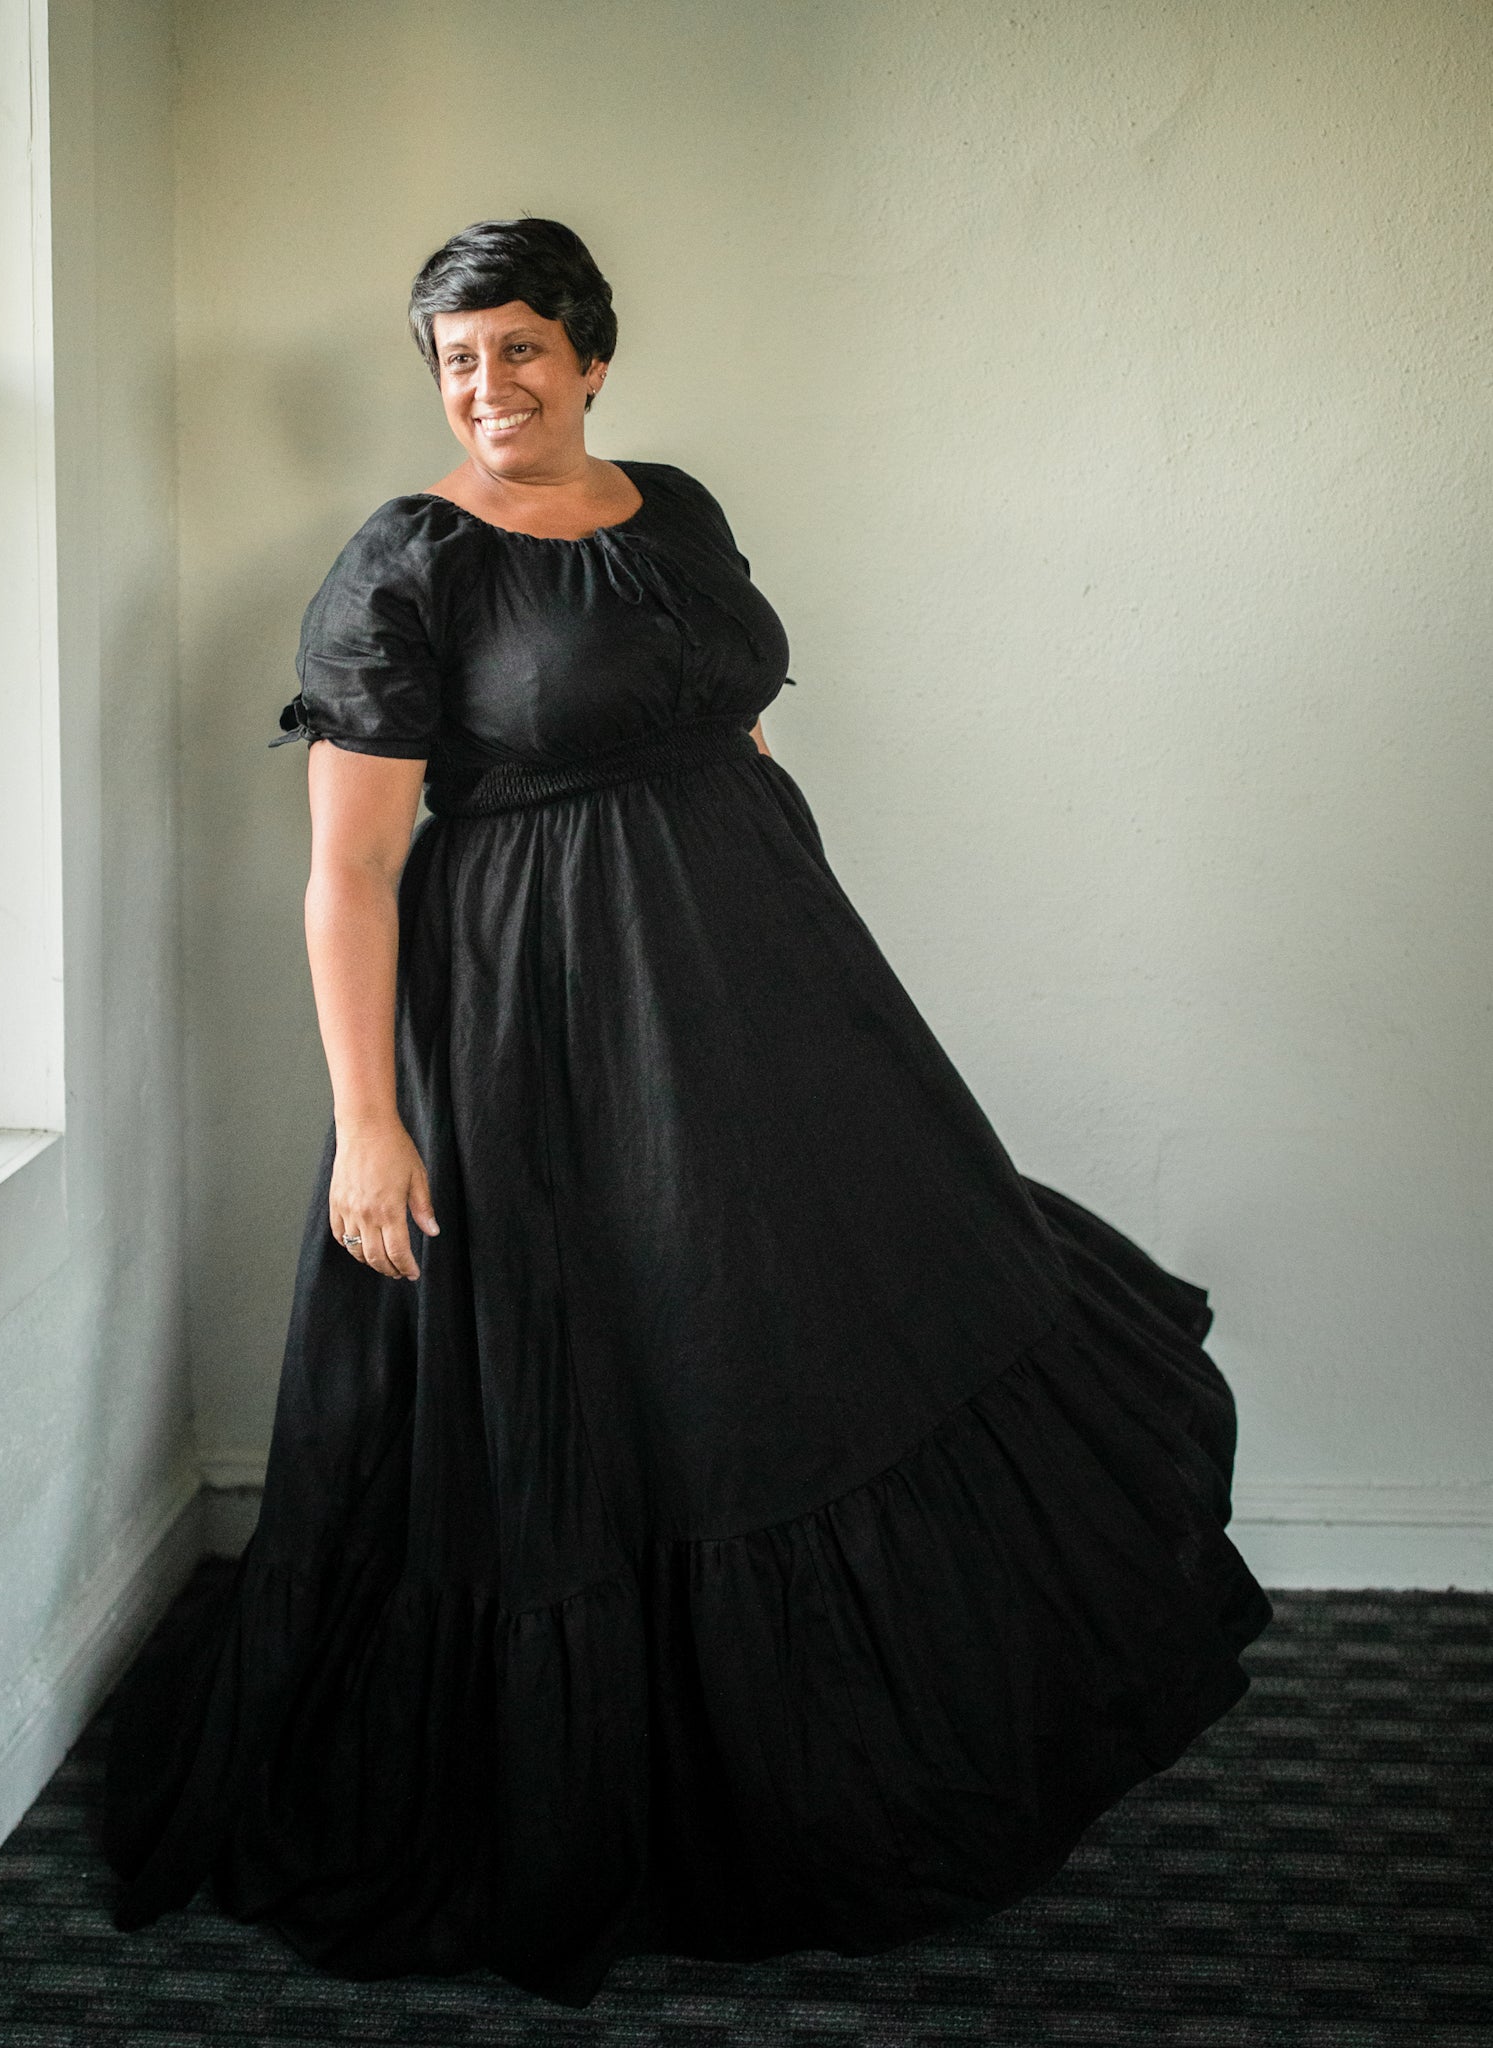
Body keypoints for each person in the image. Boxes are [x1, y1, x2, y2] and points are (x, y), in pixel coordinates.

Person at [102, 216, 1274, 2009]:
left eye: (515, 349)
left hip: (755, 979)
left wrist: (798, 927)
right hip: (538, 1016)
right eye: (453, 359)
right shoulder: (406, 564)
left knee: (804, 1327)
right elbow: (349, 871)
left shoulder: (677, 509)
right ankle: (628, 1777)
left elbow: (725, 731)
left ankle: (846, 1748)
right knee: (614, 1363)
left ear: (588, 357)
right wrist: (367, 1119)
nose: (485, 387)